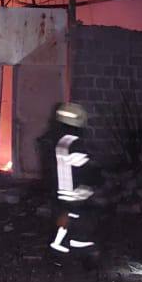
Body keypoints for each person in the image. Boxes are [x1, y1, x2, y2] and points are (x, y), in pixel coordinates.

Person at [46, 101, 100, 269]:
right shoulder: (76, 145)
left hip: (62, 196)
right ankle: (86, 257)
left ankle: (59, 255)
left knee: (66, 228)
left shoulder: (59, 143)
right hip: (76, 197)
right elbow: (85, 172)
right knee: (79, 229)